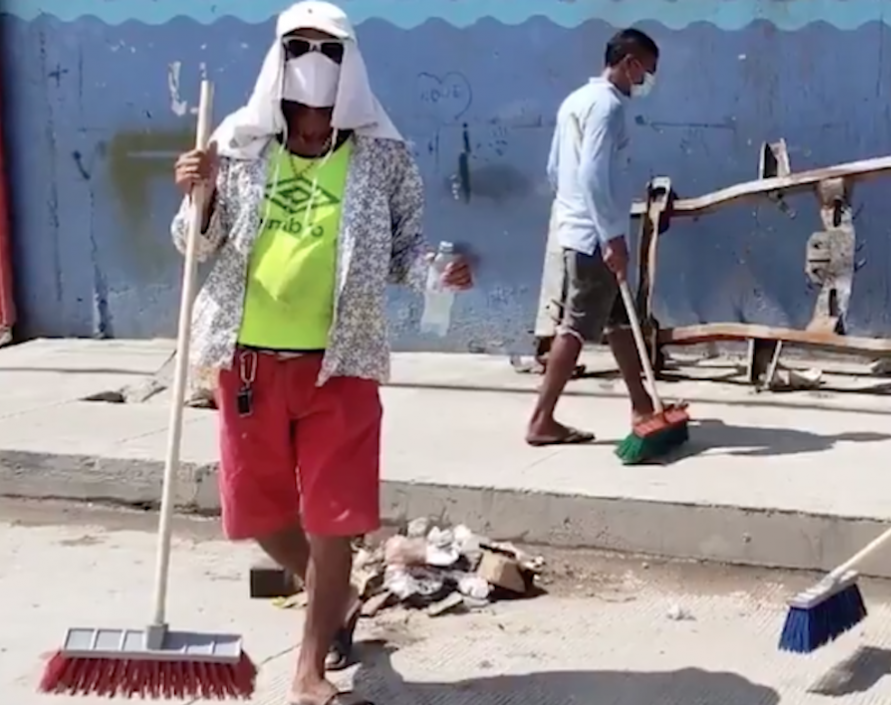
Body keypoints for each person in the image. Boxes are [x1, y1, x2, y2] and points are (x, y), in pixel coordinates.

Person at [170, 3, 471, 704]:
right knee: (256, 512)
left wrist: (439, 274)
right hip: (245, 362)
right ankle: (329, 597)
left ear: (351, 65)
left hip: (343, 363)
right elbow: (194, 245)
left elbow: (406, 254)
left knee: (336, 518)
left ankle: (309, 671)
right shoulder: (238, 143)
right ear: (278, 59)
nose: (313, 60)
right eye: (299, 46)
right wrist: (200, 191)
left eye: (329, 49)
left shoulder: (382, 156)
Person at [525, 28, 661, 446]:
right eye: (647, 72)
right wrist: (611, 236)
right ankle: (541, 420)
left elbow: (554, 169)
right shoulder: (606, 107)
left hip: (578, 230)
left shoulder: (576, 102)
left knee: (621, 323)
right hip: (594, 239)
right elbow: (592, 174)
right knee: (576, 328)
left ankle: (642, 404)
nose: (646, 82)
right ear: (630, 63)